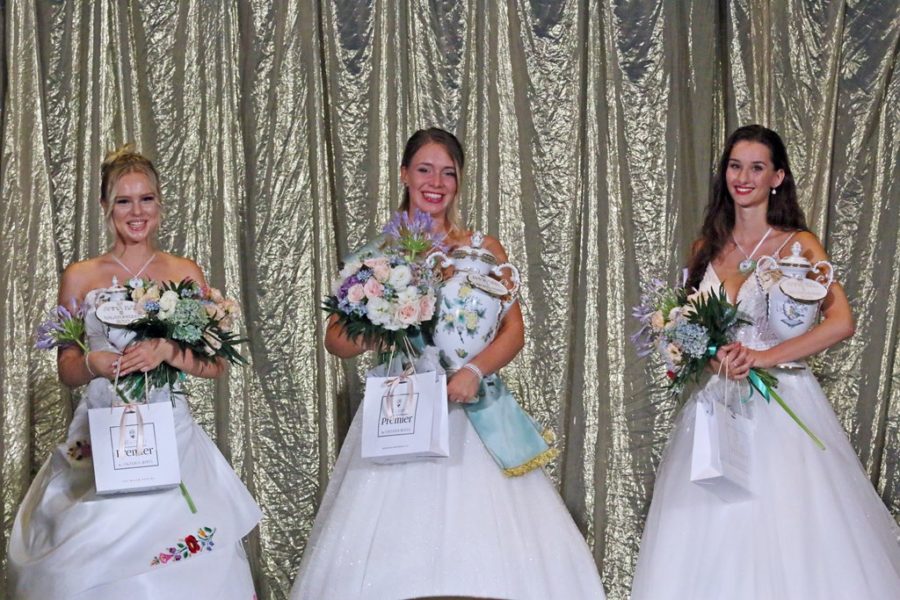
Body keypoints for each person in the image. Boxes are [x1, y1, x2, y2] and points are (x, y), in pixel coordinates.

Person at [290, 128, 606, 599]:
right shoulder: (378, 256)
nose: (435, 182)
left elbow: (513, 330)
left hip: (472, 413)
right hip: (404, 411)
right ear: (404, 174)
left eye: (448, 173)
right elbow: (336, 340)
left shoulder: (483, 250)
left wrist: (474, 372)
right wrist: (388, 318)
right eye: (424, 169)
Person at [631, 125, 900, 599]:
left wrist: (762, 356)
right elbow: (686, 330)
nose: (744, 177)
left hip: (783, 403)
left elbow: (841, 322)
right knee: (710, 527)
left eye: (757, 167)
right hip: (718, 404)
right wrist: (713, 358)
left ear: (777, 177)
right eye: (735, 166)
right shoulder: (706, 248)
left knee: (785, 527)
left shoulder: (799, 245)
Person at [6, 146, 262, 599]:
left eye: (146, 199)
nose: (136, 212)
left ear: (159, 205)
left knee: (184, 554)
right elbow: (67, 369)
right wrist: (93, 363)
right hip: (100, 430)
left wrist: (167, 350)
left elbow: (215, 363)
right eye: (124, 201)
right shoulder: (81, 276)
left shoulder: (183, 272)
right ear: (105, 207)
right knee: (87, 553)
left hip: (169, 430)